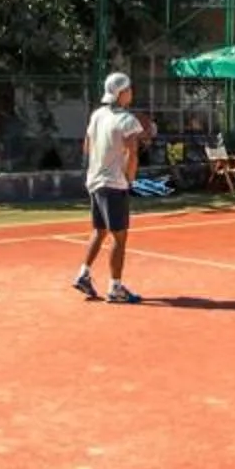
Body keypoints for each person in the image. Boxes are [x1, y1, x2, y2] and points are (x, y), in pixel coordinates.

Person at [73, 72, 155, 304]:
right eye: (129, 89)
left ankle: (83, 274)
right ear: (121, 93)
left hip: (95, 181)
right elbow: (132, 152)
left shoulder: (98, 115)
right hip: (114, 184)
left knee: (99, 230)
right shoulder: (126, 120)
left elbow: (87, 146)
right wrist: (129, 179)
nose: (132, 93)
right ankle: (115, 288)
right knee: (119, 238)